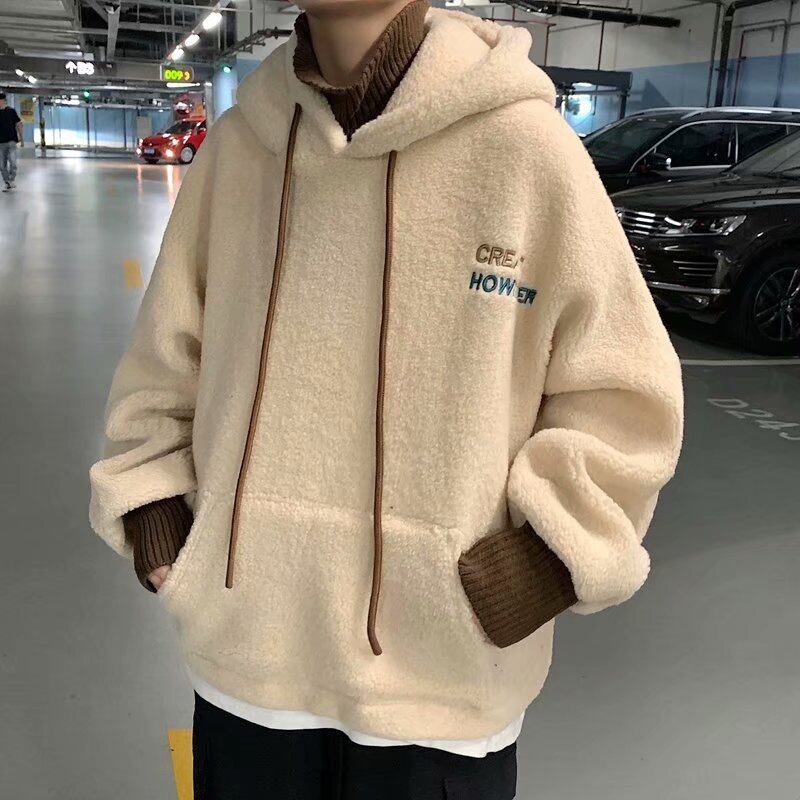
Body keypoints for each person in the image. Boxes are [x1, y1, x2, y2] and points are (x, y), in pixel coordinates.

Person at [89, 1, 684, 798]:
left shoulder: (525, 149)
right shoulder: (239, 151)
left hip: (442, 691)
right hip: (246, 665)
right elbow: (164, 366)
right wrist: (159, 518)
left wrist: (537, 565)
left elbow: (625, 398)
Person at [0, 92, 23, 192]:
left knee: (13, 162)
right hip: (0, 143)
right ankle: (7, 183)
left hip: (11, 141)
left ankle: (11, 179)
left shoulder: (11, 111)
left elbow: (18, 124)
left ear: (4, 101)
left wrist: (21, 138)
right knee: (2, 165)